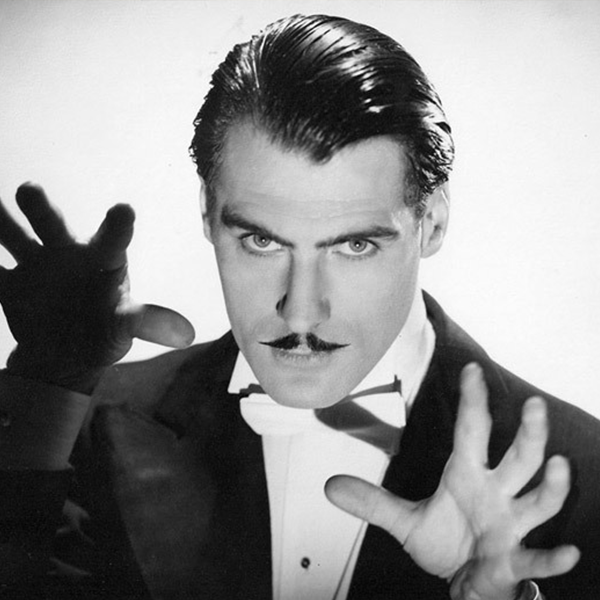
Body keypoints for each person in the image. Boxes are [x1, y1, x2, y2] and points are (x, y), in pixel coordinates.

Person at [1, 12, 599, 600]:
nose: (301, 313)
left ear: (433, 223)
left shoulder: (587, 473)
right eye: (262, 241)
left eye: (354, 246)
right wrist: (48, 385)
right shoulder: (78, 423)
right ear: (208, 211)